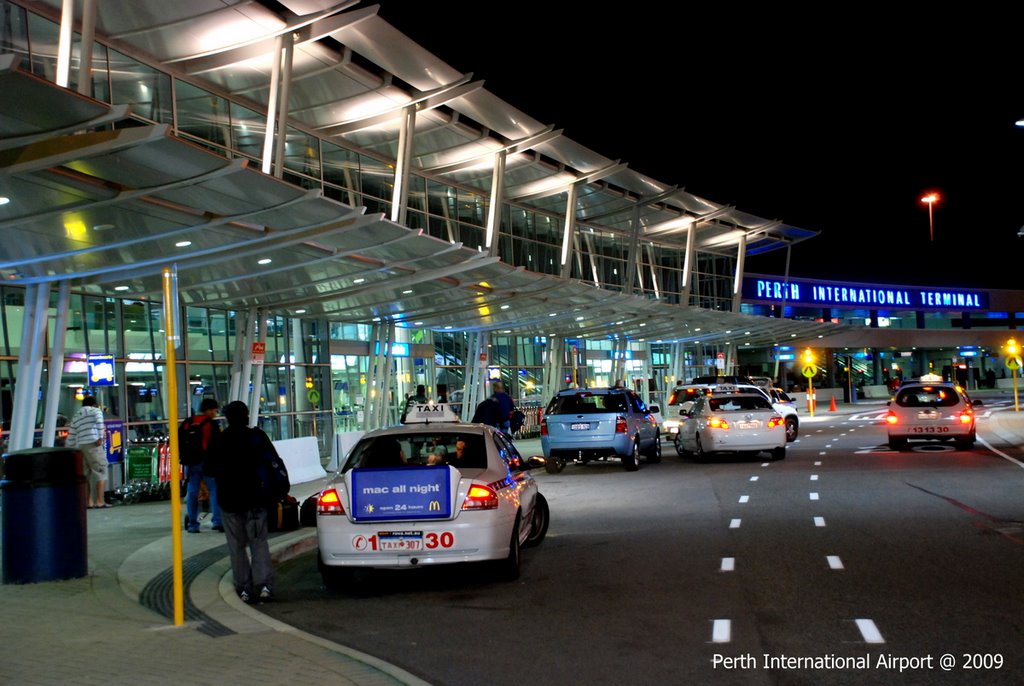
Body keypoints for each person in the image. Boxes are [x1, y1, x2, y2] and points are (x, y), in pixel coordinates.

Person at [206, 401, 278, 604]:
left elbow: (209, 469)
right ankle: (264, 585)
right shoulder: (256, 436)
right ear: (246, 416)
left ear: (227, 418)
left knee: (236, 546)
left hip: (229, 501)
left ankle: (244, 588)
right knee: (259, 543)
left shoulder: (220, 440)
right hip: (255, 500)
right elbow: (272, 462)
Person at [180, 398, 223, 534]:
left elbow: (178, 439)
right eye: (215, 410)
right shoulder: (211, 424)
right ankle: (217, 521)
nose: (215, 413)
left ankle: (193, 524)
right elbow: (218, 445)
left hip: (191, 463)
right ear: (209, 410)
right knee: (214, 491)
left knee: (192, 492)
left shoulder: (189, 422)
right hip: (208, 463)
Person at [67, 396, 108, 508]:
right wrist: (100, 438)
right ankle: (100, 502)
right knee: (101, 471)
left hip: (81, 446)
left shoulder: (76, 415)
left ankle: (88, 502)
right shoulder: (95, 410)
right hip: (93, 444)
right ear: (94, 404)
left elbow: (71, 434)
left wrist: (69, 448)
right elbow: (100, 423)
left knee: (86, 475)